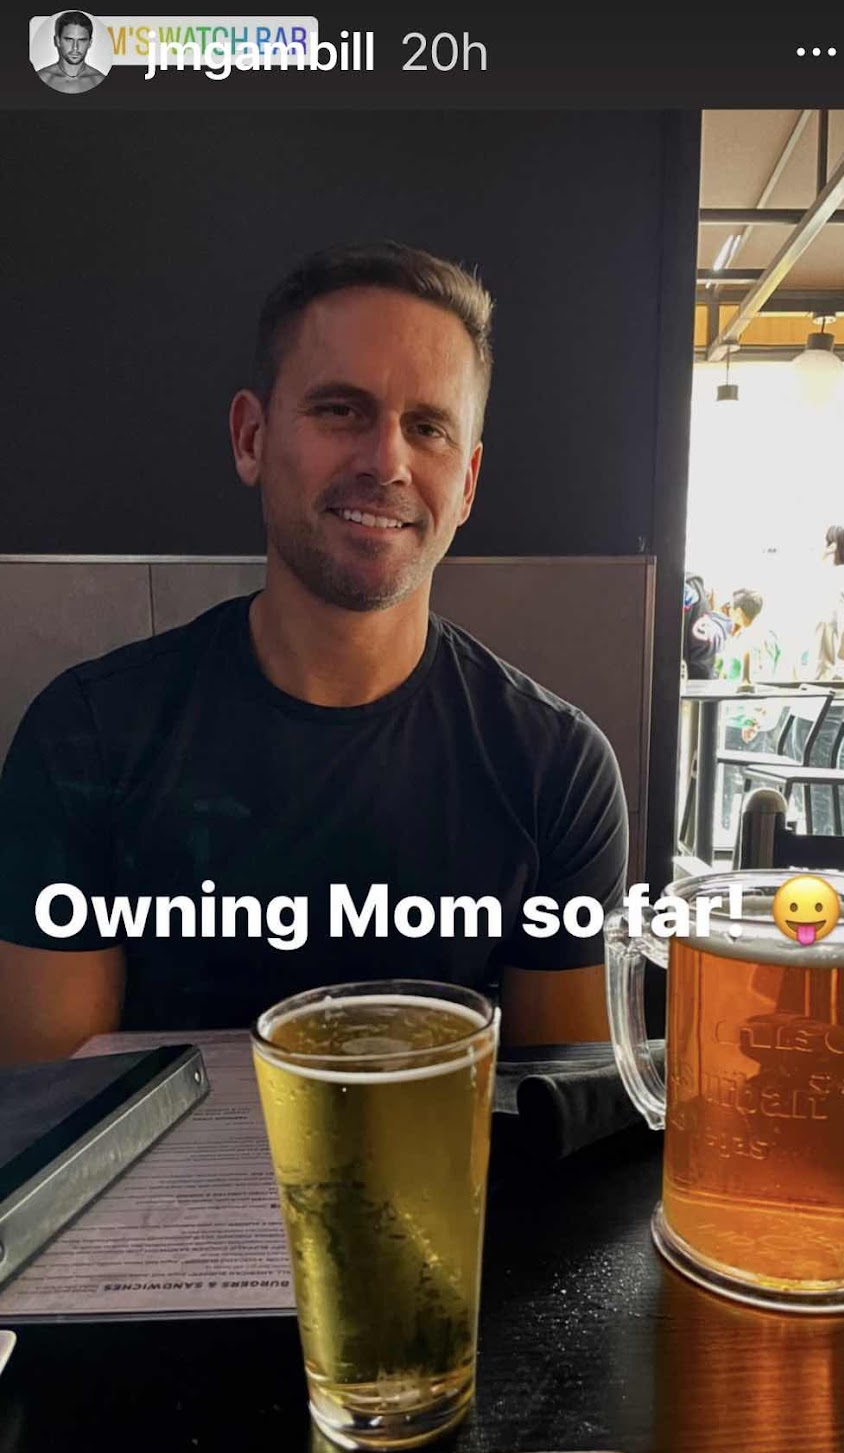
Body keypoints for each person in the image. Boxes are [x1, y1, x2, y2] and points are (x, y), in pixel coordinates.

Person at [0, 242, 628, 1063]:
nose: (387, 462)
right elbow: (55, 1106)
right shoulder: (86, 739)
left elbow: (561, 1109)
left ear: (468, 483)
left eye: (428, 428)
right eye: (340, 410)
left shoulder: (556, 769)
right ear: (251, 438)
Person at [791, 524, 844, 834]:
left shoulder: (835, 585)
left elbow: (827, 632)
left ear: (833, 547)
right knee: (838, 775)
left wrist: (814, 684)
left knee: (819, 777)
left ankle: (822, 848)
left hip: (824, 694)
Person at [35, 12, 106, 95]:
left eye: (82, 40)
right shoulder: (42, 78)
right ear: (58, 41)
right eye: (69, 40)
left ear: (90, 43)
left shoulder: (99, 80)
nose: (75, 47)